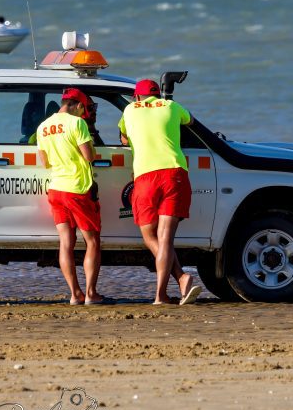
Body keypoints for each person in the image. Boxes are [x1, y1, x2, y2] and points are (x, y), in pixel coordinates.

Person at [118, 79, 202, 305]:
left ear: (137, 97)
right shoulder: (171, 106)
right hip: (173, 173)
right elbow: (191, 121)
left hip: (145, 176)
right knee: (166, 238)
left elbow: (124, 137)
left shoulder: (128, 110)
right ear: (158, 95)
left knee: (149, 236)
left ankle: (178, 281)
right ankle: (166, 291)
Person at [37, 88, 108, 305]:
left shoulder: (42, 127)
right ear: (77, 105)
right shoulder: (77, 124)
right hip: (77, 188)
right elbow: (89, 156)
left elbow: (46, 162)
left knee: (66, 243)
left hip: (56, 189)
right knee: (92, 241)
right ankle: (91, 293)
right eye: (84, 109)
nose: (84, 113)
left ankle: (74, 294)